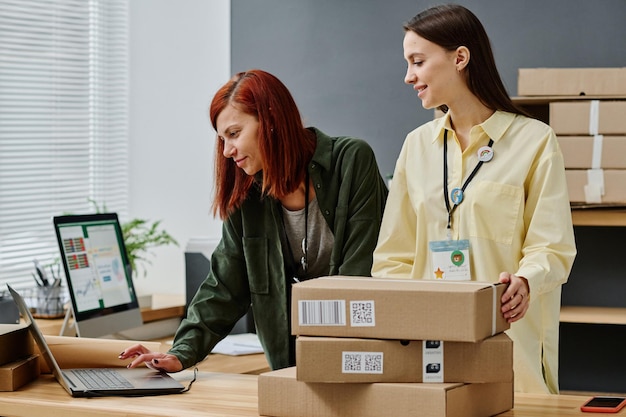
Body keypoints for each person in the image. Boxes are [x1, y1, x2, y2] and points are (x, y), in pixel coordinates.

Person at [120, 69, 388, 372]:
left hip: (359, 359)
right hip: (289, 370)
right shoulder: (245, 195)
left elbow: (357, 276)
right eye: (222, 139)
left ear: (272, 121)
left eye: (234, 134)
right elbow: (224, 287)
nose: (226, 150)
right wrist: (181, 353)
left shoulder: (351, 161)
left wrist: (320, 362)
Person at [371, 4, 576, 394]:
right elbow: (392, 258)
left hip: (512, 349)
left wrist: (525, 282)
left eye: (417, 61)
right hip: (430, 354)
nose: (408, 76)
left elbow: (553, 247)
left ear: (460, 58)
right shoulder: (416, 147)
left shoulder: (535, 142)